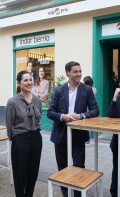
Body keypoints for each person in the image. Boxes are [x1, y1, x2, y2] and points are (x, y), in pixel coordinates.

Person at [47, 61, 99, 197]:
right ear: (67, 73)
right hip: (60, 134)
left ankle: (77, 195)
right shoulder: (58, 90)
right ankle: (66, 194)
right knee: (63, 169)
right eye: (75, 71)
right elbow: (50, 112)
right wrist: (63, 116)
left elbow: (95, 110)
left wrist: (81, 115)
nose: (79, 74)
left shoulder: (86, 90)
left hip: (78, 136)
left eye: (80, 71)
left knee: (78, 168)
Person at [6, 70, 42, 197]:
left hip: (36, 137)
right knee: (20, 173)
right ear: (19, 83)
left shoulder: (37, 100)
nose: (29, 82)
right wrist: (14, 138)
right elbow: (9, 124)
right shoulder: (12, 101)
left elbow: (38, 119)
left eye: (30, 79)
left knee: (33, 172)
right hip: (20, 138)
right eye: (25, 80)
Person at [83, 76, 97, 146]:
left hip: (86, 107)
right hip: (91, 108)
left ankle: (87, 140)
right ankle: (88, 141)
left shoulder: (85, 89)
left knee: (85, 124)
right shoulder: (94, 89)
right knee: (89, 125)